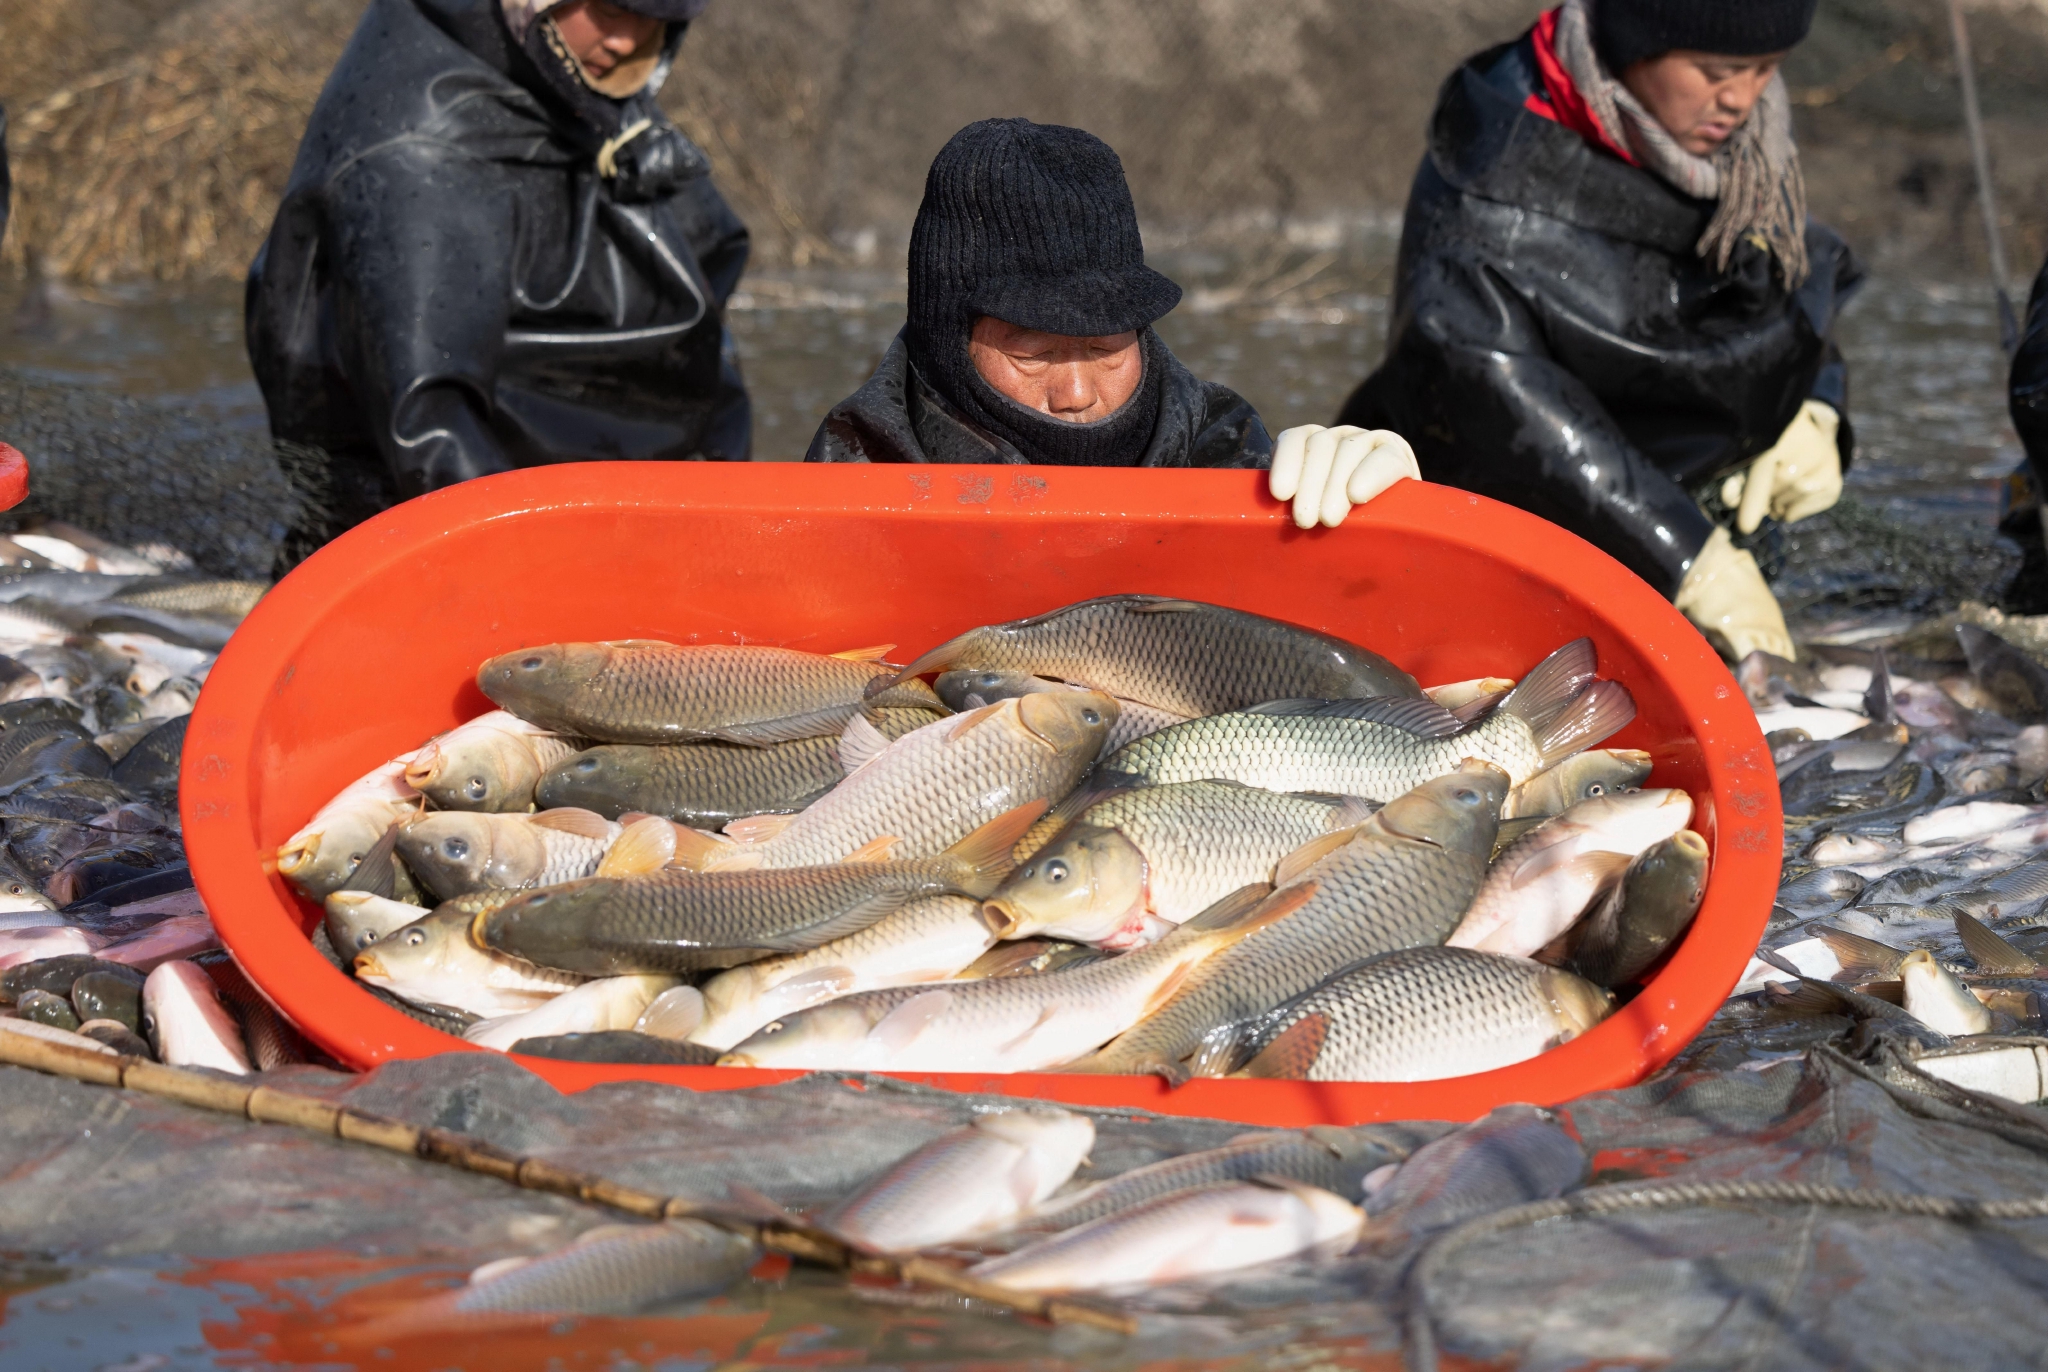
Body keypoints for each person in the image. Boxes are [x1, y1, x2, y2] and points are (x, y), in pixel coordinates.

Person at [1279, 0, 1862, 661]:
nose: (1742, 99)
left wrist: (1818, 406)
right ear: (1635, 42)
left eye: (1767, 70)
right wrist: (1690, 558)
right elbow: (1490, 382)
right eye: (1715, 70)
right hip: (1518, 530)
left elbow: (1784, 282)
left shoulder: (1748, 146)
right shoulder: (1495, 165)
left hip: (1701, 497)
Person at [247, 0, 749, 575]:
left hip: (622, 517)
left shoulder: (581, 88)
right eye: (611, 10)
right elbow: (431, 430)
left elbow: (712, 313)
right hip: (441, 553)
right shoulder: (413, 158)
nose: (627, 41)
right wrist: (544, 579)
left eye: (652, 19)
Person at [809, 118, 1366, 471]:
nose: (1076, 393)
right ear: (947, 344)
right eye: (1032, 353)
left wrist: (1378, 527)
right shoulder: (853, 472)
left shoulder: (1227, 454)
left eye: (1104, 349)